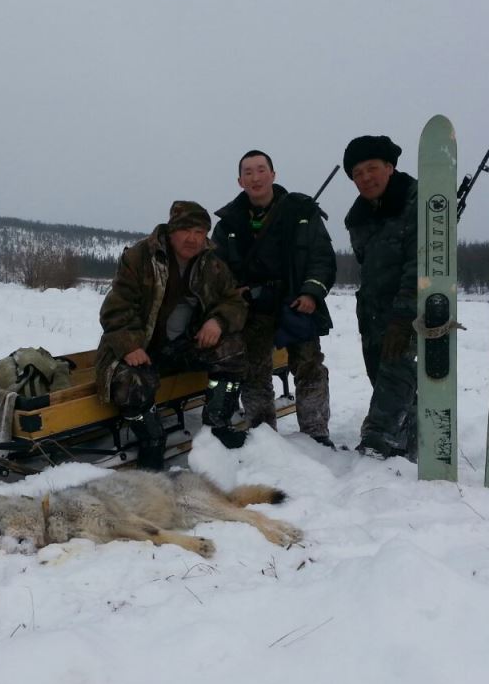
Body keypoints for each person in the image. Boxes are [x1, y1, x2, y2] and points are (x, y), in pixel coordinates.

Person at [95, 200, 249, 470]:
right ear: (171, 231)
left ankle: (217, 424)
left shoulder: (211, 263)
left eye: (200, 231)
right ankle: (152, 441)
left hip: (183, 346)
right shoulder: (141, 258)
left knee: (233, 348)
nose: (193, 238)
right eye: (186, 230)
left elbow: (234, 301)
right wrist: (130, 346)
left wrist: (217, 321)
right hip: (141, 349)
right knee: (132, 382)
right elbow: (115, 309)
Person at [212, 150, 337, 448]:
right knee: (254, 372)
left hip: (296, 303)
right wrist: (234, 293)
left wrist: (311, 292)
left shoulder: (301, 212)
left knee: (309, 367)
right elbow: (216, 269)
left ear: (273, 174)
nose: (255, 177)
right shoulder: (228, 223)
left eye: (261, 170)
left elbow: (322, 258)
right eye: (248, 172)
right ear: (240, 180)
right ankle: (262, 435)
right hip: (253, 309)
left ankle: (316, 432)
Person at [342, 134, 419, 460]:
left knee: (396, 375)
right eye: (357, 174)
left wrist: (404, 317)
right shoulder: (358, 217)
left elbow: (422, 264)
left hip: (407, 311)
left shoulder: (420, 203)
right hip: (372, 313)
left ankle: (379, 441)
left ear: (390, 167)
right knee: (384, 380)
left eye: (371, 168)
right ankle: (411, 442)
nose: (365, 178)